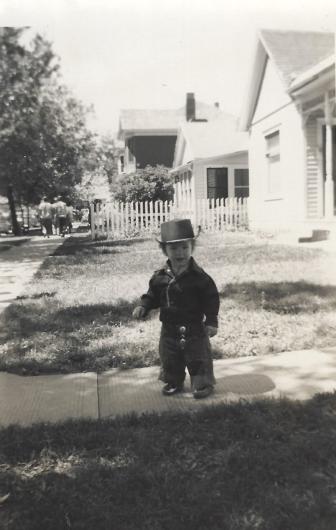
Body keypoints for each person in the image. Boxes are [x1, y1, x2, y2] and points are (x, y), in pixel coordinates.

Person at [133, 219, 220, 399]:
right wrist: (144, 305)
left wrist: (211, 321)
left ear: (191, 248)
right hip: (169, 328)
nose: (180, 253)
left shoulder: (201, 278)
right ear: (165, 250)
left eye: (184, 248)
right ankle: (174, 381)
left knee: (198, 356)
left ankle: (202, 383)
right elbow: (152, 295)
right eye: (173, 248)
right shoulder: (160, 277)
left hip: (195, 328)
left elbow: (211, 300)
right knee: (170, 356)